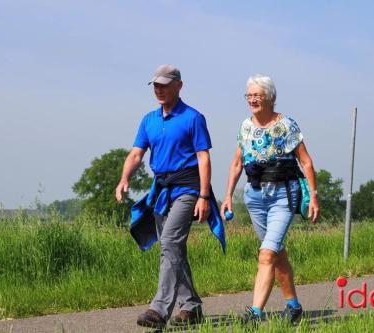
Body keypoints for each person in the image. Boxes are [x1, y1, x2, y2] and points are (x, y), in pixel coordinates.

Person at [116, 64, 225, 329]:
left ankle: (159, 309)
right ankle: (191, 307)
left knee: (169, 242)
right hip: (162, 190)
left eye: (165, 84)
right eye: (156, 85)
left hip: (188, 188)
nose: (159, 89)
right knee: (173, 247)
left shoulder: (193, 117)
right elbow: (136, 154)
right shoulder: (149, 120)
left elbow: (203, 157)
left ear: (179, 85)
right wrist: (124, 178)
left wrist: (203, 196)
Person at [220, 74, 320, 325]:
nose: (252, 99)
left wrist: (314, 197)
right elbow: (236, 163)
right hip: (255, 197)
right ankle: (294, 307)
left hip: (283, 195)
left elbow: (305, 161)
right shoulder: (245, 126)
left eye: (257, 95)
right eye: (249, 95)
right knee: (276, 253)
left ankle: (254, 313)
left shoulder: (286, 125)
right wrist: (228, 196)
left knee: (266, 254)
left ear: (271, 98)